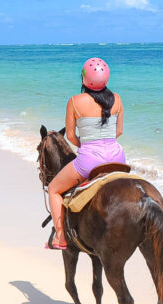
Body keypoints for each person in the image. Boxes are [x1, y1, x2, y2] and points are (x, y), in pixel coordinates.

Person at [46, 57, 125, 249]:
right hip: (118, 157)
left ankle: (60, 236)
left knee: (54, 189)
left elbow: (71, 136)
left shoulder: (75, 101)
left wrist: (86, 144)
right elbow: (119, 132)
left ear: (84, 79)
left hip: (89, 160)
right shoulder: (117, 99)